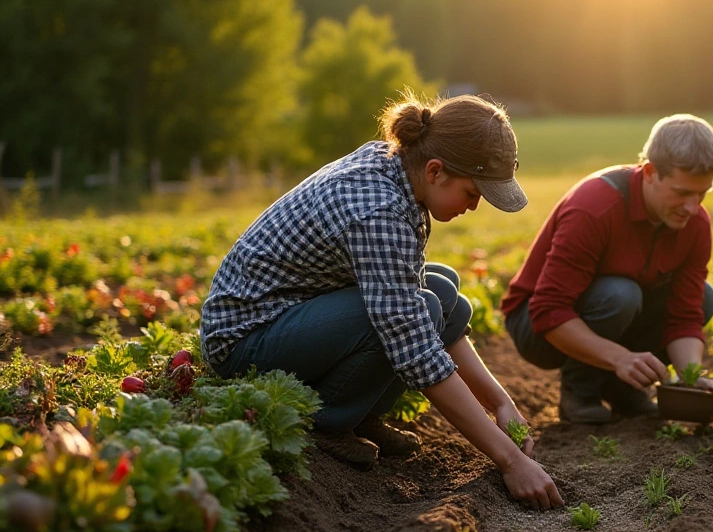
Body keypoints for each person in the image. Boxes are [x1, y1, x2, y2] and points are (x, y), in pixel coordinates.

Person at [201, 93, 563, 510]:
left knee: (442, 291)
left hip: (295, 312)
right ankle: (330, 423)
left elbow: (415, 308)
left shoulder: (397, 165)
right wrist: (510, 459)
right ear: (436, 171)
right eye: (472, 192)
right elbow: (415, 348)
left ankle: (365, 415)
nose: (475, 205)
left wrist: (502, 403)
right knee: (419, 312)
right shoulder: (378, 210)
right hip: (247, 337)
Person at [501, 114, 713, 424]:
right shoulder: (595, 207)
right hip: (536, 324)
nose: (693, 207)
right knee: (620, 295)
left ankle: (623, 389)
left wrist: (692, 380)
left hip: (613, 315)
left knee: (705, 298)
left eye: (701, 194)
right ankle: (580, 392)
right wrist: (621, 358)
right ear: (650, 172)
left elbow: (685, 314)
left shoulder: (695, 224)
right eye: (681, 193)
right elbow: (548, 309)